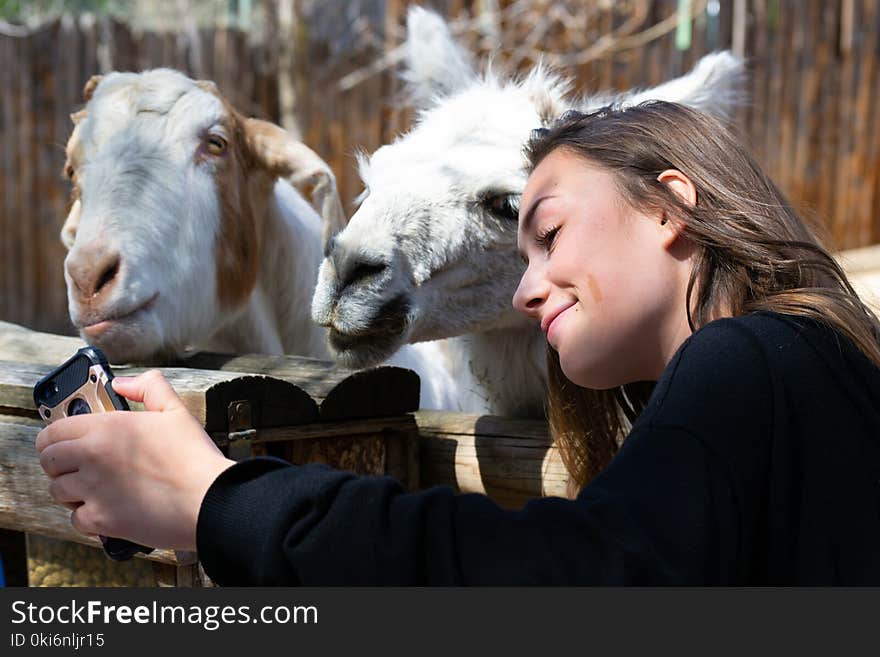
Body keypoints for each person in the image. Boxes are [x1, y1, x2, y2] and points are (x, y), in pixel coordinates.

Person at [35, 101, 880, 585]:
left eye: (544, 230)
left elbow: (567, 582)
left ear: (669, 207)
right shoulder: (814, 366)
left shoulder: (746, 361)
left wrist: (221, 500)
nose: (523, 288)